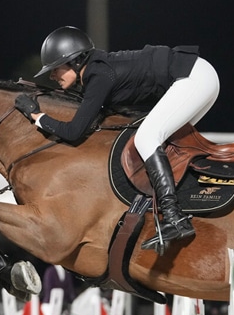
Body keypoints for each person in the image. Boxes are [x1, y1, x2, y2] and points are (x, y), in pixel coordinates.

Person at [14, 26, 220, 255]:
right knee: (163, 142)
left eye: (56, 69)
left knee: (147, 137)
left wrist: (37, 116)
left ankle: (174, 217)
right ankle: (188, 204)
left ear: (74, 61)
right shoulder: (97, 71)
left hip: (193, 77)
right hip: (197, 76)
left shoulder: (99, 74)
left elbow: (74, 132)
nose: (52, 76)